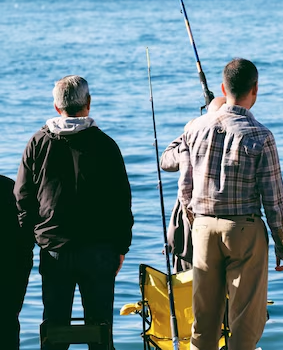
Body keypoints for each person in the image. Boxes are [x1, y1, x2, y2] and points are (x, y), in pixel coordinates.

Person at [178, 59, 283, 350]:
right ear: (255, 89)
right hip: (244, 231)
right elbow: (273, 198)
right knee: (245, 322)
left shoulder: (195, 128)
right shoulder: (260, 135)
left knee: (203, 322)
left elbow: (184, 188)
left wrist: (196, 221)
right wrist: (282, 242)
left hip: (203, 226)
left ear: (223, 88)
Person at [14, 75, 133, 350]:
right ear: (88, 104)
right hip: (100, 252)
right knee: (101, 331)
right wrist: (121, 246)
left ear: (57, 107)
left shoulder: (37, 143)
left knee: (54, 331)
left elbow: (22, 198)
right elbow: (122, 201)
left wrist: (33, 238)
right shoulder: (106, 145)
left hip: (55, 250)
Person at [161, 97, 226, 273]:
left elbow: (166, 160)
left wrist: (189, 131)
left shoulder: (193, 138)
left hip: (191, 229)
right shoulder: (235, 138)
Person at [1, 174, 33, 350]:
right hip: (12, 271)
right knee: (8, 324)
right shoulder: (10, 188)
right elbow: (27, 232)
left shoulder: (9, 188)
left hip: (13, 267)